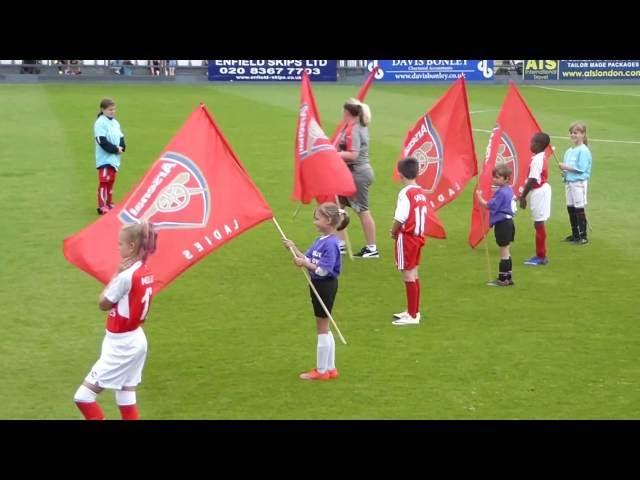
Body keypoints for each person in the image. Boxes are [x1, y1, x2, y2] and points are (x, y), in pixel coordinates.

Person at [73, 221, 157, 420]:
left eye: (120, 244)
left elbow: (103, 303)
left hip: (122, 345)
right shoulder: (146, 270)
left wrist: (116, 274)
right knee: (126, 395)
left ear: (132, 246)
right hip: (136, 339)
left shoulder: (125, 276)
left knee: (83, 397)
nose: (117, 247)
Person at [283, 203, 349, 380]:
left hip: (325, 286)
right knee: (325, 326)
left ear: (328, 221)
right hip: (319, 285)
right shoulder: (320, 240)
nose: (314, 222)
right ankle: (330, 368)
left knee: (322, 326)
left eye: (317, 218)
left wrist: (305, 264)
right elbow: (307, 258)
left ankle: (321, 370)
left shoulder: (331, 244)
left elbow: (323, 270)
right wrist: (293, 248)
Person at [336, 98, 378, 258]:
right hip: (349, 173)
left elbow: (353, 154)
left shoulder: (354, 129)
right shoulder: (352, 127)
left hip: (357, 174)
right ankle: (340, 243)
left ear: (347, 112)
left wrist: (334, 155)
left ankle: (372, 248)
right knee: (338, 206)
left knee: (362, 210)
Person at [390, 158, 429, 325]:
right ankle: (414, 311)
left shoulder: (405, 193)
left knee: (408, 275)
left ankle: (412, 316)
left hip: (407, 237)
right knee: (414, 274)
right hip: (419, 237)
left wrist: (393, 231)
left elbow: (401, 217)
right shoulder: (420, 192)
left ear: (400, 175)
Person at [475, 164, 517, 286]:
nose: (494, 179)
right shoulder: (508, 190)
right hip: (509, 222)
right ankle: (508, 276)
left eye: (498, 177)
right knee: (507, 250)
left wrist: (479, 198)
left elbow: (489, 205)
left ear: (506, 179)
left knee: (503, 251)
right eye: (494, 177)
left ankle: (502, 279)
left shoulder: (501, 193)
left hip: (502, 223)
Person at [520, 132, 551, 266]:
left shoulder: (537, 160)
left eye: (532, 142)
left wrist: (523, 196)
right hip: (540, 191)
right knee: (538, 223)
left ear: (538, 145)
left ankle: (541, 256)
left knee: (539, 223)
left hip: (539, 192)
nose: (530, 144)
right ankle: (540, 254)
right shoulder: (539, 157)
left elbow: (532, 179)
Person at [559, 121, 592, 245]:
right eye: (572, 133)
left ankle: (583, 236)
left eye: (576, 133)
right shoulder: (569, 151)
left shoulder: (583, 151)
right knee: (570, 207)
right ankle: (575, 234)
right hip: (569, 182)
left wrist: (566, 167)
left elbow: (581, 168)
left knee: (579, 208)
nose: (573, 135)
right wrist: (564, 173)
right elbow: (568, 169)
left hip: (579, 183)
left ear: (583, 135)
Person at [94, 98, 125, 215]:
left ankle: (109, 203)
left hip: (114, 158)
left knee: (111, 181)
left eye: (113, 109)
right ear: (103, 110)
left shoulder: (115, 122)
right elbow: (101, 140)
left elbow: (121, 136)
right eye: (110, 109)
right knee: (104, 181)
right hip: (105, 159)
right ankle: (101, 206)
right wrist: (115, 149)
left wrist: (122, 146)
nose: (112, 111)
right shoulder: (100, 123)